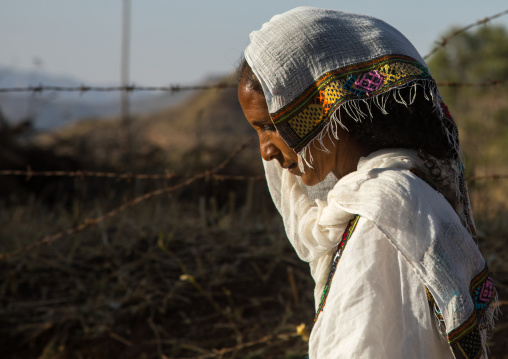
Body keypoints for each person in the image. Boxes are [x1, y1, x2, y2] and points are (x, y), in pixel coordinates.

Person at [238, 7, 497, 359]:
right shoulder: (405, 193)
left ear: (319, 108)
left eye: (269, 126)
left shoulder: (380, 219)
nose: (266, 151)